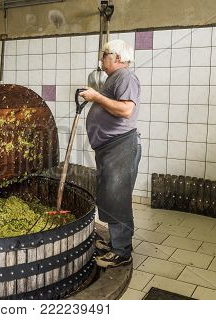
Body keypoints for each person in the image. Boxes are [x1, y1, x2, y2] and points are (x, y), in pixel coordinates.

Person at [80, 39, 141, 268]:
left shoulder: (126, 77)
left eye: (105, 54)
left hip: (121, 146)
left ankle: (122, 252)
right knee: (109, 194)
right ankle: (117, 243)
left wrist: (96, 97)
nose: (101, 58)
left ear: (117, 57)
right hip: (110, 147)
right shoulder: (113, 79)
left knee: (117, 197)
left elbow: (126, 110)